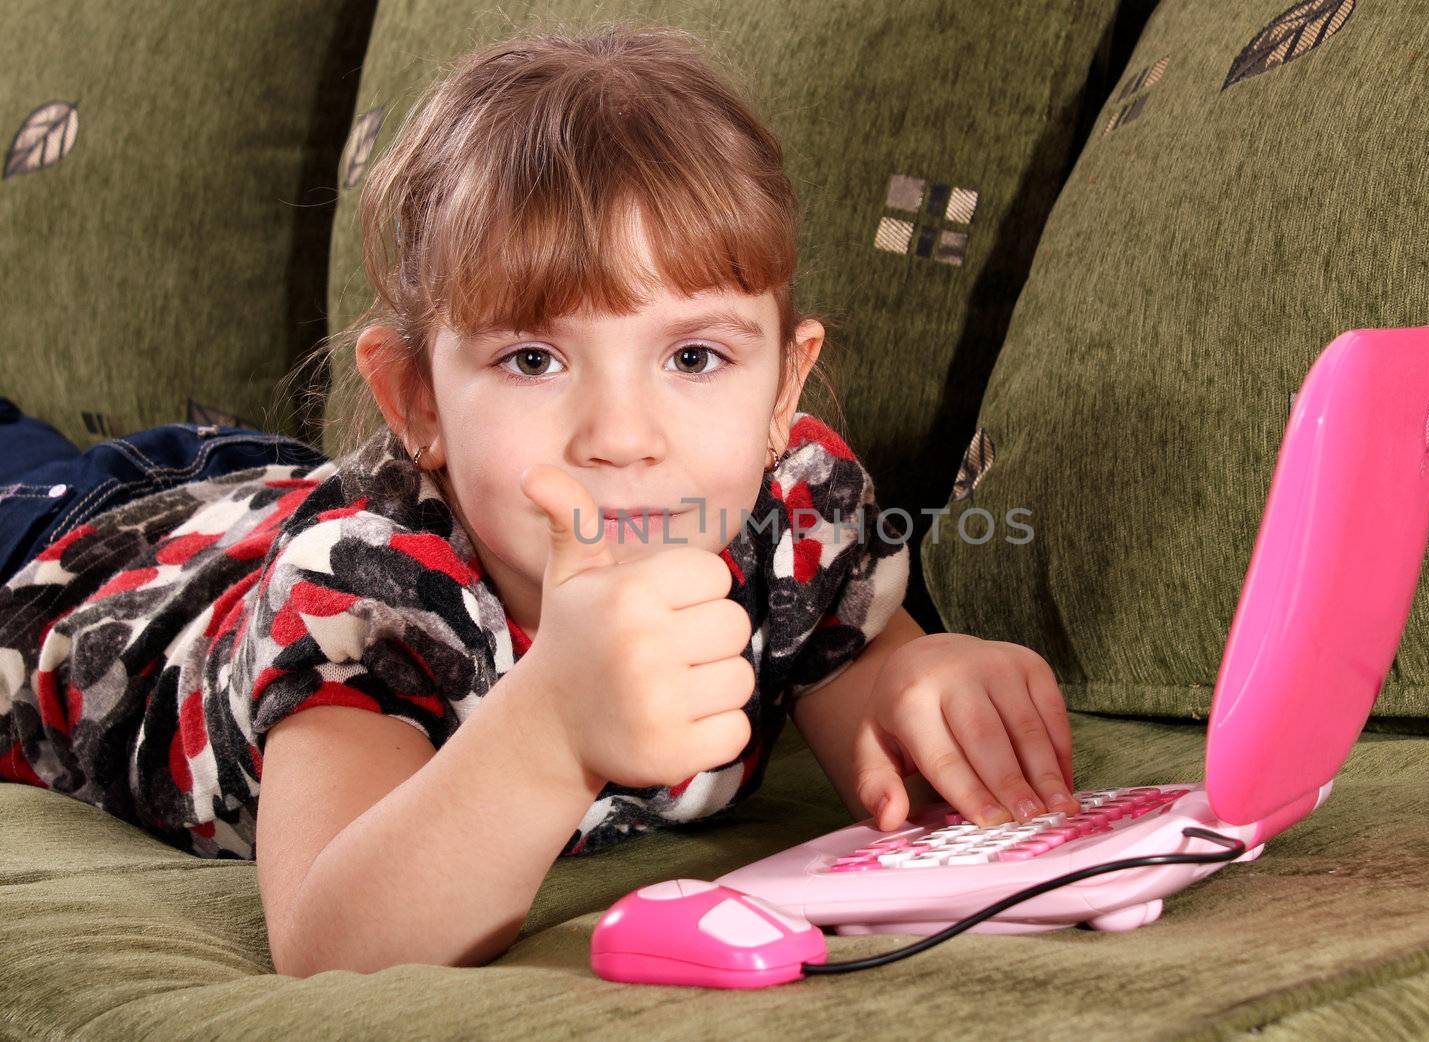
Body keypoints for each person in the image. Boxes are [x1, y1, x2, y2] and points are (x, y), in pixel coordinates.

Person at [0, 24, 1078, 975]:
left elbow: (862, 695)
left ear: (781, 393)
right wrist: (553, 725)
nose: (620, 437)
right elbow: (335, 940)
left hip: (247, 489)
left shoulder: (791, 529)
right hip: (75, 553)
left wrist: (924, 684)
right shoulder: (372, 602)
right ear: (416, 400)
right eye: (531, 360)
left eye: (694, 356)